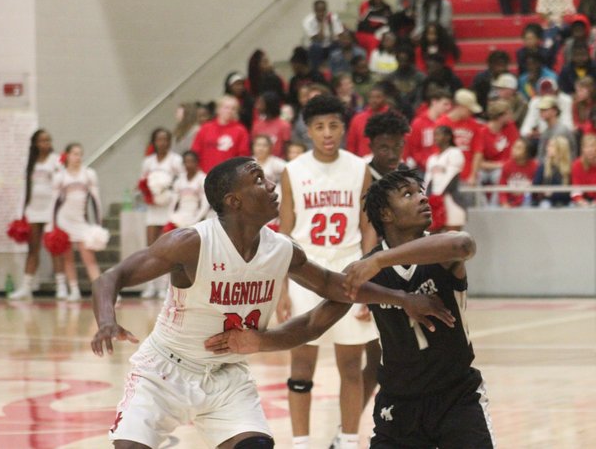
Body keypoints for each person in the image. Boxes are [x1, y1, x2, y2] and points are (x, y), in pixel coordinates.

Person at [91, 157, 451, 449]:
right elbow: (111, 277)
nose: (272, 185)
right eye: (259, 179)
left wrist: (402, 298)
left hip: (226, 376)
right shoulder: (192, 242)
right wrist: (107, 320)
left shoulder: (281, 249)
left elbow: (334, 286)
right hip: (163, 372)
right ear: (234, 200)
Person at [209, 169, 496, 448]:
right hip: (399, 403)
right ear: (386, 214)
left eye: (421, 192)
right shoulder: (363, 271)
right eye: (408, 194)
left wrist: (381, 260)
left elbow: (462, 244)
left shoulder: (440, 251)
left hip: (457, 396)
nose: (422, 198)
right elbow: (313, 324)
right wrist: (260, 341)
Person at [278, 94, 380, 449]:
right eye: (319, 127)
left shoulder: (359, 168)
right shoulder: (293, 171)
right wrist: (280, 290)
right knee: (301, 364)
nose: (327, 133)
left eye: (334, 125)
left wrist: (368, 272)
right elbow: (285, 233)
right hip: (306, 275)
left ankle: (349, 439)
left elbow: (368, 224)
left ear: (343, 128)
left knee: (351, 364)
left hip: (348, 275)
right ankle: (301, 443)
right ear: (308, 131)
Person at [8, 130, 66, 301]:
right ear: (35, 143)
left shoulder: (56, 160)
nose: (45, 143)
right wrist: (21, 212)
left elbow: (61, 186)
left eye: (48, 140)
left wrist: (59, 211)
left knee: (55, 249)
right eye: (41, 140)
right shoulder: (29, 162)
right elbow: (24, 189)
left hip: (51, 210)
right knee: (33, 249)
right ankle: (26, 287)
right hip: (33, 210)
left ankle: (61, 287)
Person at [51, 143, 104, 301]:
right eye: (74, 154)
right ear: (66, 155)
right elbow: (53, 204)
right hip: (63, 220)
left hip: (80, 221)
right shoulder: (60, 176)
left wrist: (98, 224)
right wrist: (50, 226)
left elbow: (96, 200)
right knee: (67, 258)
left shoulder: (89, 174)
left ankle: (101, 291)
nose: (77, 157)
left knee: (89, 258)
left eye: (80, 154)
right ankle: (73, 290)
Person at [140, 128, 184, 299]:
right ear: (154, 141)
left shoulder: (175, 160)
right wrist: (149, 194)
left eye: (165, 139)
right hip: (153, 207)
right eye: (159, 139)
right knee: (150, 247)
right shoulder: (148, 162)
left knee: (167, 247)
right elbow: (143, 183)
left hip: (168, 207)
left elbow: (181, 182)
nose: (162, 143)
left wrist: (167, 192)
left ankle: (165, 286)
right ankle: (150, 284)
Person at [191, 95, 251, 174]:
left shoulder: (241, 131)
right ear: (218, 109)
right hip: (204, 174)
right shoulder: (205, 128)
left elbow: (243, 156)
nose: (229, 111)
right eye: (226, 107)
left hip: (228, 176)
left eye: (233, 109)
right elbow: (195, 152)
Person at [425, 126, 467, 232]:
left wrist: (438, 196)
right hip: (433, 201)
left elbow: (452, 176)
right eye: (434, 135)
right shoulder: (432, 158)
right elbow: (427, 180)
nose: (435, 138)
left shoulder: (455, 153)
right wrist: (429, 198)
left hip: (451, 199)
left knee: (453, 237)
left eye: (438, 135)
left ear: (448, 137)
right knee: (432, 237)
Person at [406, 88, 453, 173]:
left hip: (443, 166)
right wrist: (426, 162)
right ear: (434, 102)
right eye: (445, 104)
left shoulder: (447, 122)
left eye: (450, 104)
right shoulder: (418, 122)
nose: (448, 108)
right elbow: (413, 148)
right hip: (423, 168)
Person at [167, 151, 209, 229]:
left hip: (195, 217)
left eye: (192, 162)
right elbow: (173, 201)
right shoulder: (180, 179)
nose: (189, 165)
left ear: (197, 162)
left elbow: (204, 205)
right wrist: (171, 217)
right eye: (186, 162)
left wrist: (195, 220)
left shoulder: (202, 179)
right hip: (179, 217)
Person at [365, 111, 410, 180]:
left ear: (404, 143)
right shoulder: (362, 179)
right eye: (384, 149)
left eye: (397, 146)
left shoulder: (406, 173)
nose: (392, 156)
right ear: (372, 147)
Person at [302, 0, 345, 71]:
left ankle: (336, 72)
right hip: (313, 47)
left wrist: (331, 25)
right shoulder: (308, 21)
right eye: (319, 11)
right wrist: (322, 23)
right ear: (314, 11)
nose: (321, 13)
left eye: (323, 10)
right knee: (316, 46)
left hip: (329, 45)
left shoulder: (332, 18)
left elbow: (340, 35)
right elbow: (318, 39)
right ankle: (315, 71)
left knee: (338, 47)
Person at [533, 136, 573, 208]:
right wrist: (544, 192)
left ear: (560, 149)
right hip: (547, 201)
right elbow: (535, 186)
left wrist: (552, 193)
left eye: (551, 146)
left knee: (572, 206)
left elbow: (569, 193)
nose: (547, 148)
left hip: (565, 202)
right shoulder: (543, 167)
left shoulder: (570, 168)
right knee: (545, 205)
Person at [498, 138, 538, 208]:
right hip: (509, 202)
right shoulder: (507, 165)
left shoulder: (535, 166)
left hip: (527, 202)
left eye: (519, 148)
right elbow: (502, 187)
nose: (514, 150)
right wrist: (504, 203)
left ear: (527, 152)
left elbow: (535, 189)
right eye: (514, 147)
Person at [252, 91, 292, 158]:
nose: (257, 106)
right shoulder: (256, 124)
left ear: (269, 105)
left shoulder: (284, 125)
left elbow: (287, 149)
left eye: (261, 103)